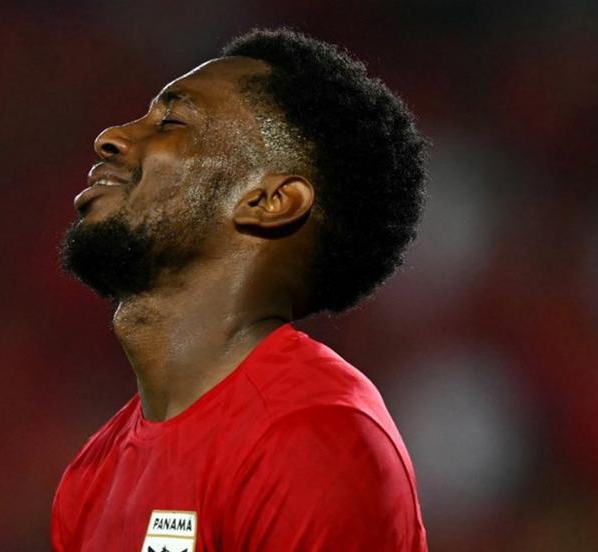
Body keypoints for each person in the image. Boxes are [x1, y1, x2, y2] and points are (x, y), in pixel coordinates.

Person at [53, 27, 428, 551]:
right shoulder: (93, 474)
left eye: (172, 121)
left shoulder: (312, 440)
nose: (112, 136)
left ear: (269, 200)